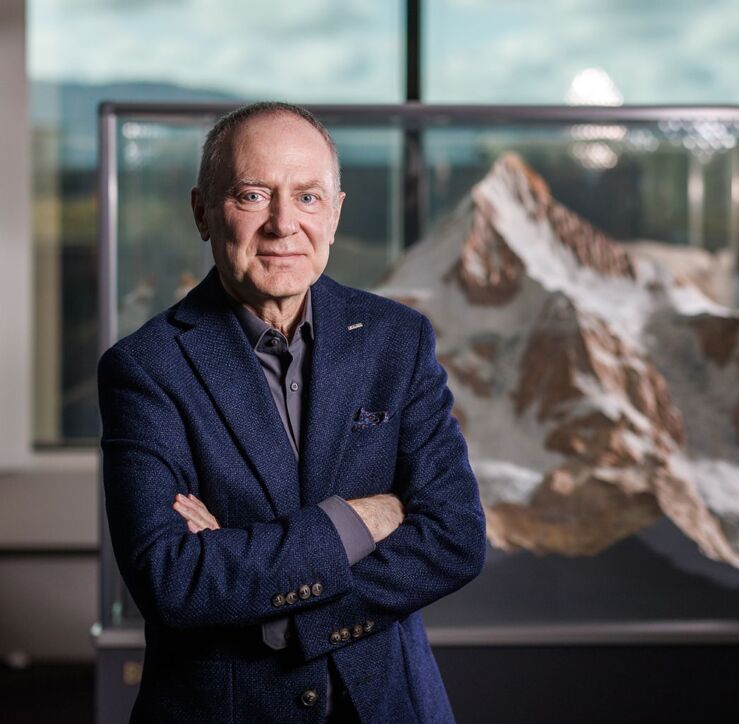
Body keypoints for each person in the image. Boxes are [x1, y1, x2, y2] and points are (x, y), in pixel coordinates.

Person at [97, 101, 487, 723]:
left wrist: (282, 617)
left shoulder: (397, 340)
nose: (284, 225)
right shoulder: (146, 368)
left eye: (307, 197)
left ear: (335, 213)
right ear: (202, 212)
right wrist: (361, 520)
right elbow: (172, 580)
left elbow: (455, 538)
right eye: (252, 195)